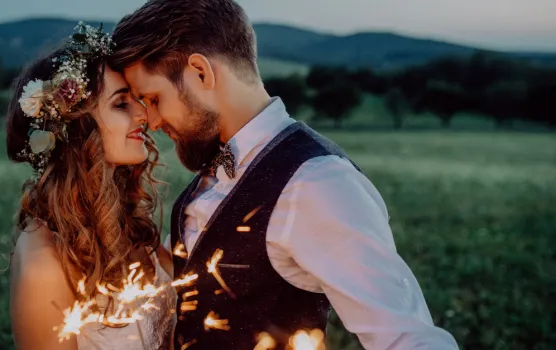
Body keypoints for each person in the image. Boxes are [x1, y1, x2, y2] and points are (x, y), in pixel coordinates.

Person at [109, 1, 460, 349]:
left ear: (201, 72)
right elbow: (200, 284)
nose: (152, 122)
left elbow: (408, 338)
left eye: (153, 99)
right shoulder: (213, 165)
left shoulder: (317, 182)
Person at [5, 23, 175, 350]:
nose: (143, 113)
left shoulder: (130, 224)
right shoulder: (44, 263)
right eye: (121, 103)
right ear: (77, 127)